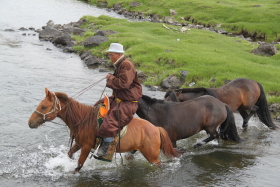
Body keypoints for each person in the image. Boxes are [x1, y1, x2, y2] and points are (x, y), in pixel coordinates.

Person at [94, 43, 142, 158]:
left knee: (111, 122)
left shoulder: (126, 65)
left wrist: (110, 78)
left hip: (128, 103)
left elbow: (124, 84)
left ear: (119, 54)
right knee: (98, 105)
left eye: (111, 55)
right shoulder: (120, 64)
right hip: (119, 99)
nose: (110, 57)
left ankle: (105, 147)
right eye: (109, 55)